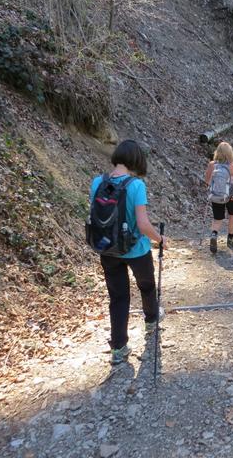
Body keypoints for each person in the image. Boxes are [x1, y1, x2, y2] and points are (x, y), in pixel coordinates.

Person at [89, 140, 167, 365]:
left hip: (107, 248)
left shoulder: (97, 182)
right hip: (135, 249)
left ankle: (119, 347)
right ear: (136, 160)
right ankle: (151, 320)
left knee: (118, 297)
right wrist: (160, 239)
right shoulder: (136, 186)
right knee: (147, 285)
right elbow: (143, 225)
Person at [204, 141, 233, 253]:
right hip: (230, 196)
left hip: (216, 195)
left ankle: (214, 235)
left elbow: (207, 181)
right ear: (230, 153)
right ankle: (230, 239)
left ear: (217, 152)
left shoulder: (212, 164)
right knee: (232, 215)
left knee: (217, 218)